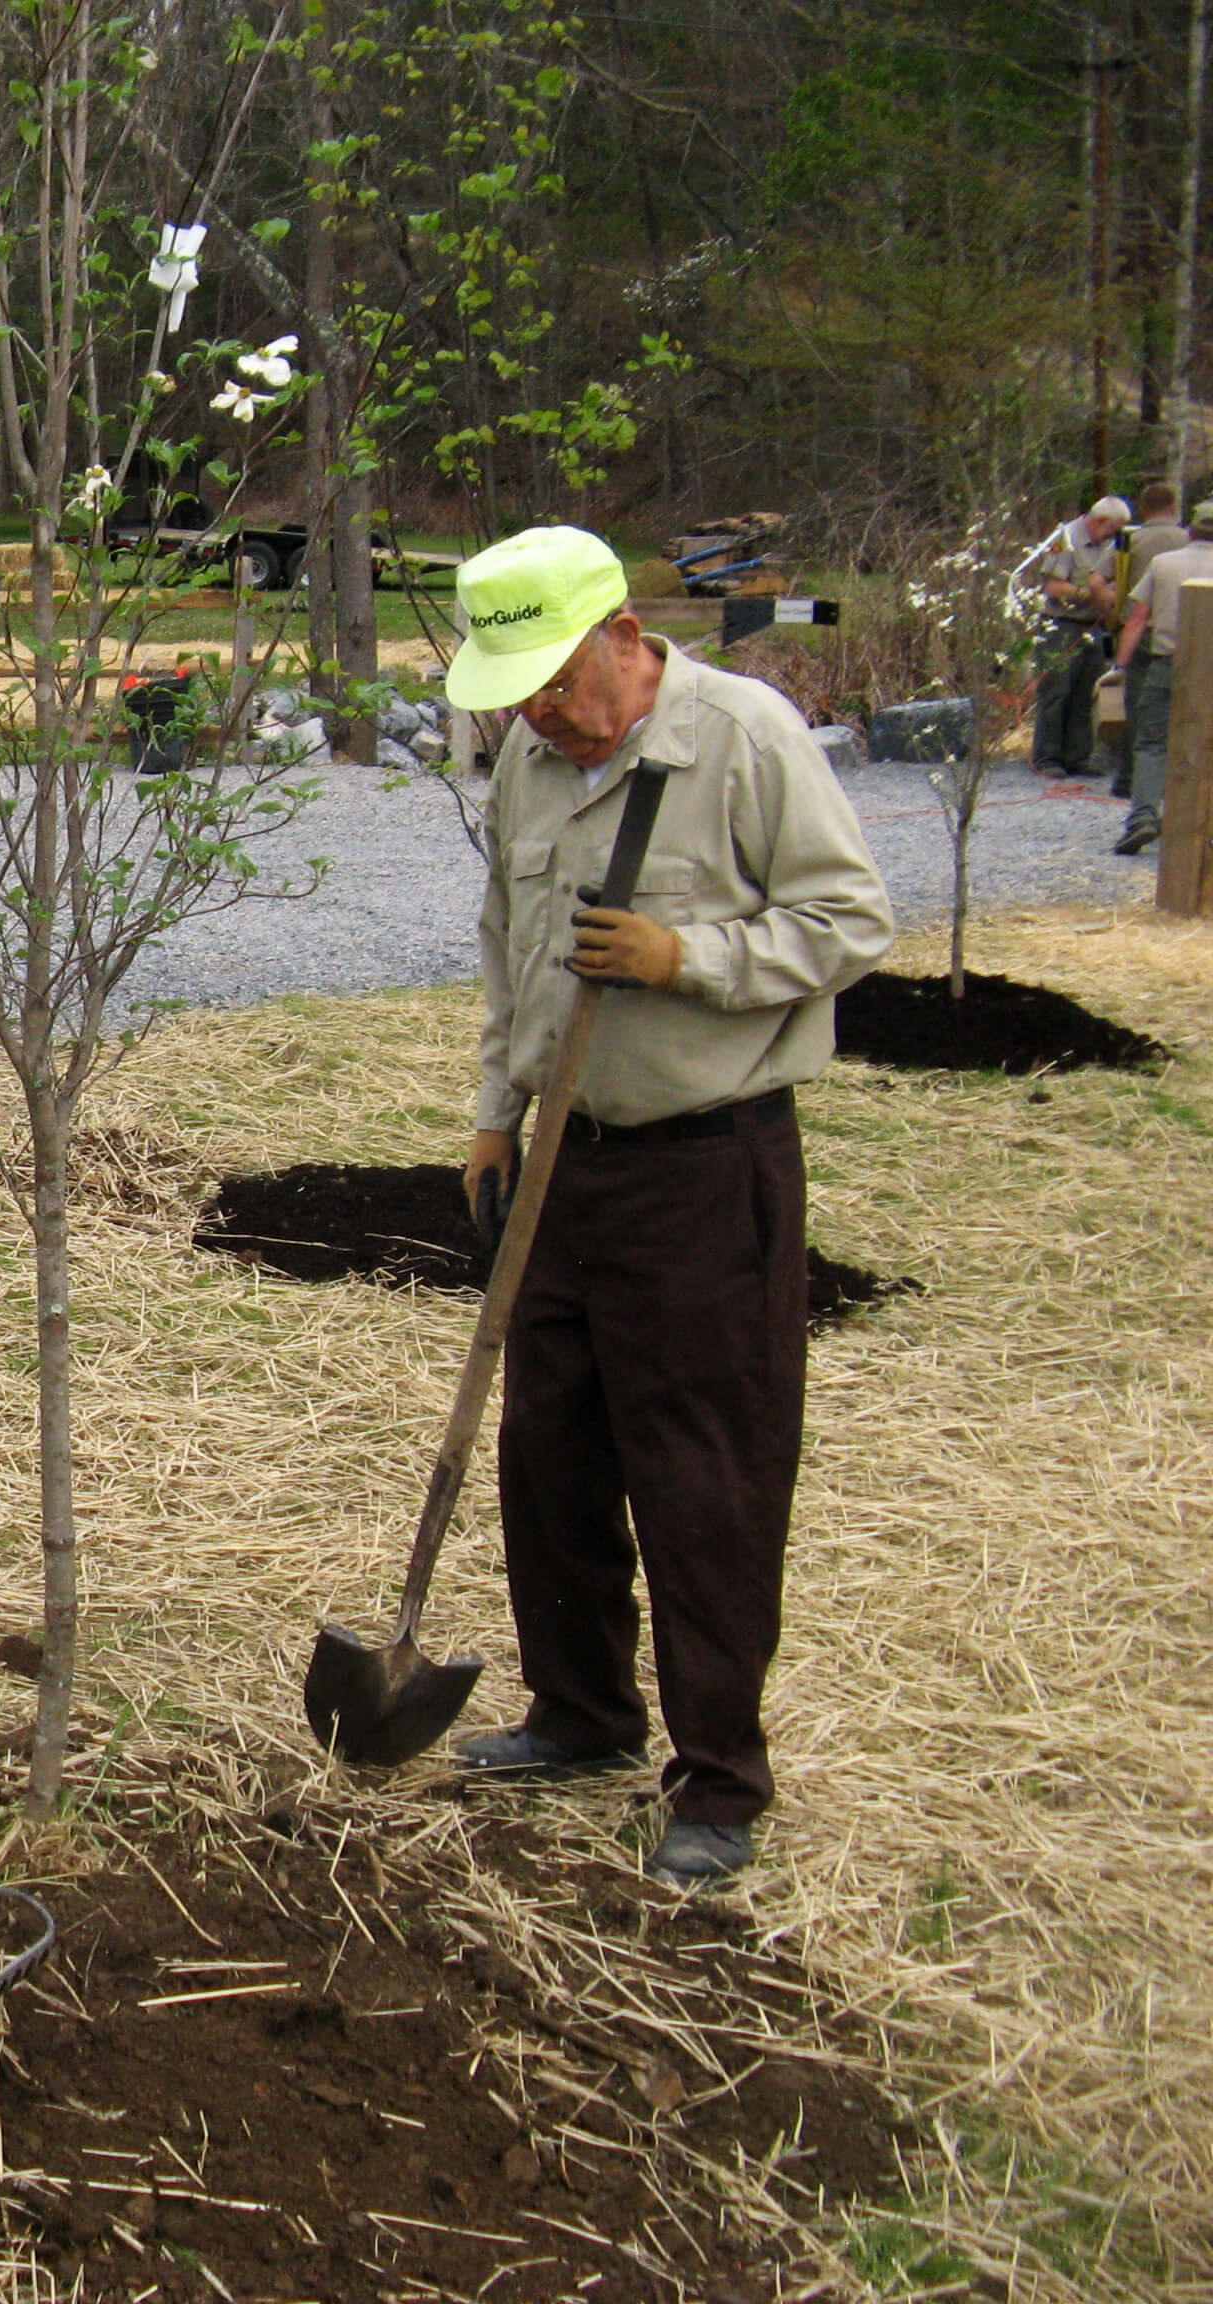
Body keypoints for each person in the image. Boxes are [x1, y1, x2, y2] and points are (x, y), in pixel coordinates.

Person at [443, 527, 895, 1888]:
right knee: (551, 1452)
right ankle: (581, 1716)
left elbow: (852, 920)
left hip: (706, 1167)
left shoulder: (745, 738)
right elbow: (508, 953)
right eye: (514, 687)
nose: (535, 710)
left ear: (627, 638)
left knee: (703, 1475)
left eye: (556, 679)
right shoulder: (529, 759)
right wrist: (493, 1110)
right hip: (566, 1166)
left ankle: (716, 1781)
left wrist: (685, 956)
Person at [1106, 495, 1213, 856]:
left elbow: (1137, 619)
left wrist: (1119, 666)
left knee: (1152, 743)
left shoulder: (1163, 563)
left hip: (1168, 663)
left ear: (1191, 530)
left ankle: (1143, 819)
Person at [1020, 493, 1133, 779]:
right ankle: (1047, 757)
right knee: (1056, 692)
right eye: (1114, 528)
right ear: (1099, 521)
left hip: (1097, 627)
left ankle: (1078, 757)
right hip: (1062, 625)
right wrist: (1093, 594)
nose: (1117, 535)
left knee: (1087, 692)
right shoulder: (1065, 538)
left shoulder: (1115, 544)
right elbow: (1053, 587)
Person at [1111, 483, 1189, 798]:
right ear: (1174, 507)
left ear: (1143, 509)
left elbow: (1105, 583)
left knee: (1140, 709)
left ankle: (1130, 778)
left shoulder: (1130, 541)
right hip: (1189, 633)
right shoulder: (1188, 540)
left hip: (1142, 633)